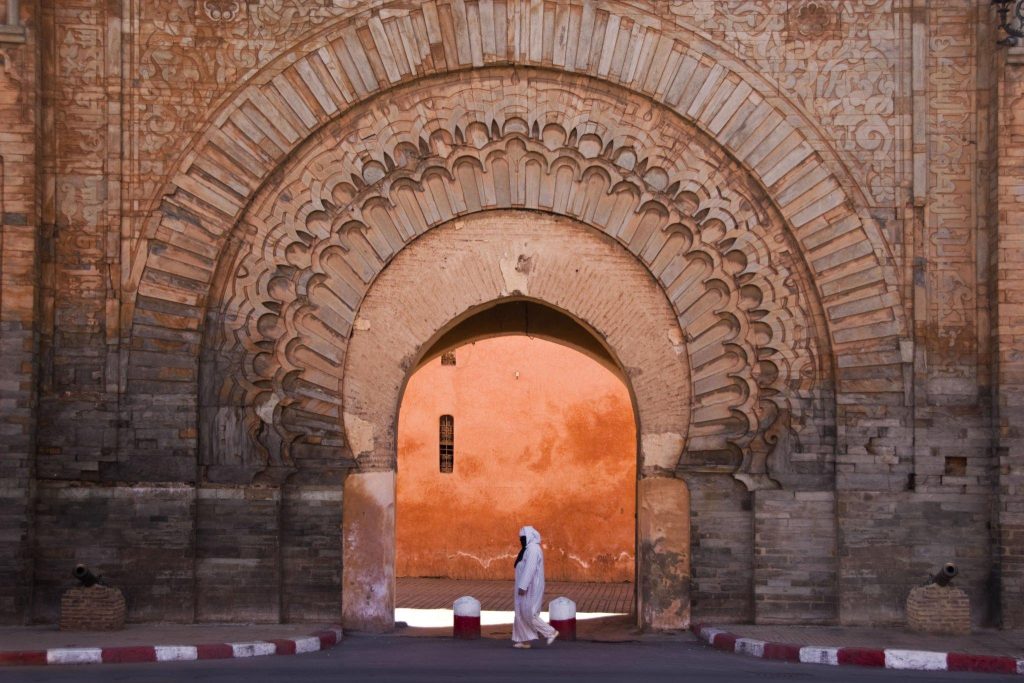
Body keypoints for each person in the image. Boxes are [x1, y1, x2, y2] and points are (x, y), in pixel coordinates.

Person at [512, 525, 559, 649]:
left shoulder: (533, 549)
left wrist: (523, 585)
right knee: (520, 612)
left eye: (523, 537)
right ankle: (525, 639)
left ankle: (551, 632)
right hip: (524, 586)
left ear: (529, 537)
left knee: (529, 612)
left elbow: (530, 568)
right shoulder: (527, 549)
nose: (521, 539)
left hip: (531, 586)